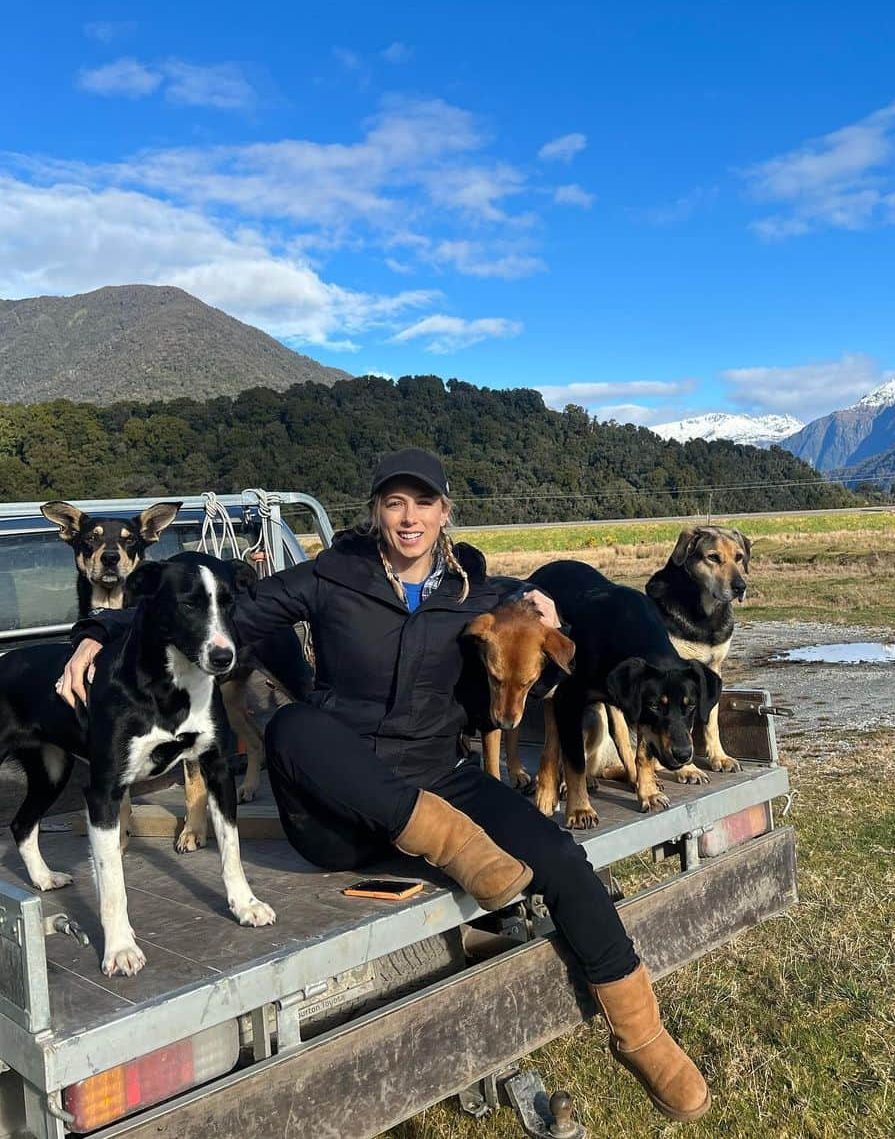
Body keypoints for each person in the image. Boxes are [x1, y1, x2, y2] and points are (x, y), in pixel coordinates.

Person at [59, 449, 711, 1123]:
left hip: (440, 779)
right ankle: (449, 842)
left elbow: (555, 608)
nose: (409, 517)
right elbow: (212, 610)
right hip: (340, 812)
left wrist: (544, 603)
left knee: (562, 860)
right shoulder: (329, 578)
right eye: (394, 503)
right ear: (375, 512)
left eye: (423, 503)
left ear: (444, 513)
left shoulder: (474, 593)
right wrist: (95, 632)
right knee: (292, 727)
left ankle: (646, 1039)